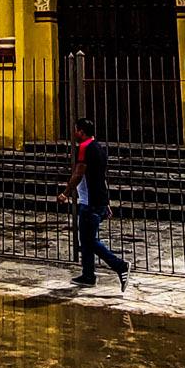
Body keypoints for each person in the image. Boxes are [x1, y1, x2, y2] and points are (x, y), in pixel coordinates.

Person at [60, 118, 129, 291]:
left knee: (89, 241)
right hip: (98, 200)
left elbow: (78, 173)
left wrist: (65, 193)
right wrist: (106, 202)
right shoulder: (99, 148)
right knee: (86, 239)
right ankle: (88, 275)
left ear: (81, 132)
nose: (74, 133)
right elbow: (101, 177)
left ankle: (120, 266)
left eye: (76, 130)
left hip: (89, 202)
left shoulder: (84, 147)